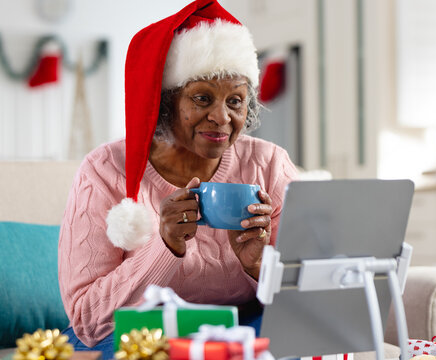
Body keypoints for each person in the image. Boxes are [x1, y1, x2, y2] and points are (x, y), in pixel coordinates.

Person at [57, 0, 298, 358]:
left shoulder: (269, 164)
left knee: (290, 342)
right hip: (139, 333)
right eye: (202, 98)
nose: (222, 117)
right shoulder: (105, 170)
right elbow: (88, 319)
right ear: (165, 102)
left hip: (239, 327)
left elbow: (317, 296)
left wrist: (259, 266)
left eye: (235, 101)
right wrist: (164, 247)